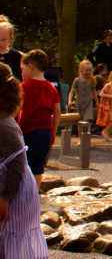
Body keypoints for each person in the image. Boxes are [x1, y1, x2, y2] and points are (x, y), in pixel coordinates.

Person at [0, 63, 48, 259]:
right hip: (8, 186)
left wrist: (5, 198)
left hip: (13, 191)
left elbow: (17, 163)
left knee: (12, 238)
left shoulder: (4, 124)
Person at [17, 50, 61, 184]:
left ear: (30, 67)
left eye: (22, 69)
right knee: (38, 168)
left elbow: (17, 108)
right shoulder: (51, 88)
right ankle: (35, 195)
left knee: (24, 166)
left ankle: (24, 196)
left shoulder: (23, 87)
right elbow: (57, 111)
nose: (21, 73)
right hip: (45, 132)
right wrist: (53, 131)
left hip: (27, 131)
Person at [0, 17, 22, 81]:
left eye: (3, 40)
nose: (0, 42)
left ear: (10, 39)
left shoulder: (16, 56)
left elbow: (19, 76)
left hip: (11, 88)